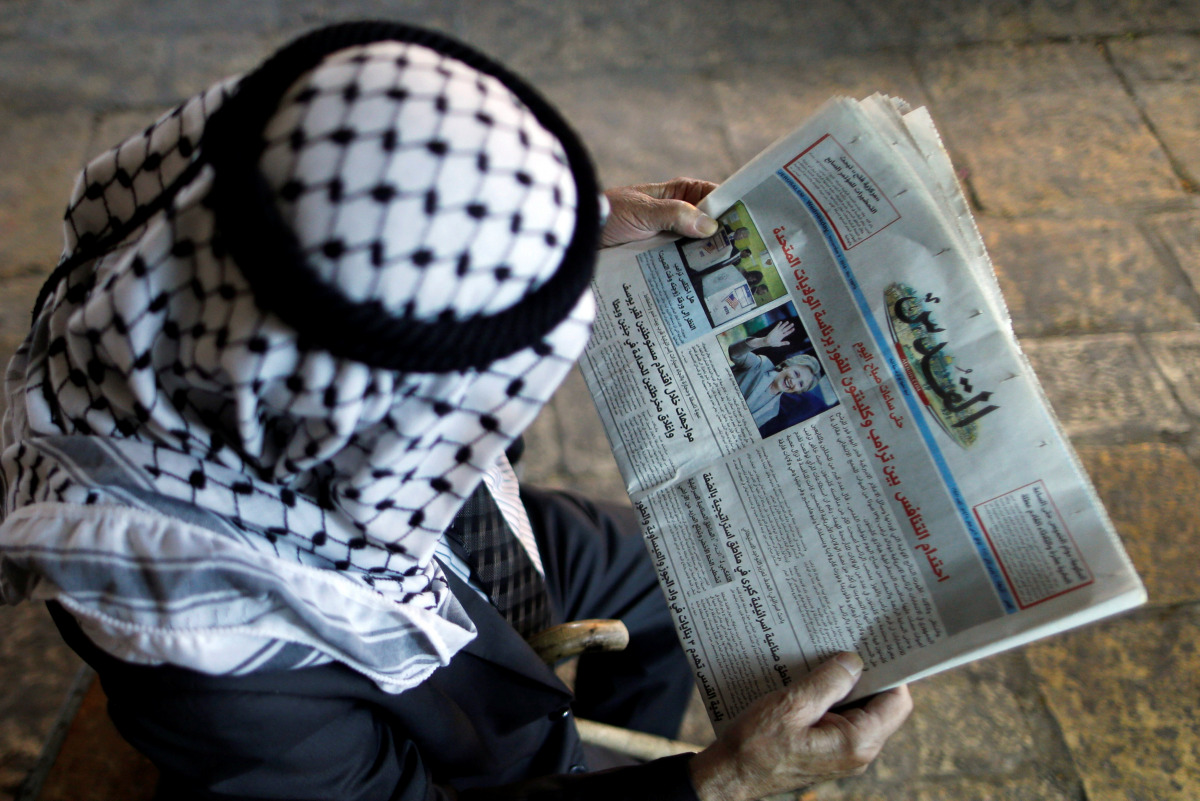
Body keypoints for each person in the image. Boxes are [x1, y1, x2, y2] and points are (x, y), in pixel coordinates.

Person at [0, 21, 909, 801]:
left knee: (680, 574)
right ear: (371, 408)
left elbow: (367, 196)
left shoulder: (214, 255)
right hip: (389, 693)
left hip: (455, 553)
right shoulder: (214, 668)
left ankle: (594, 741)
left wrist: (564, 223)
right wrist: (719, 779)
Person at [729, 320, 824, 429]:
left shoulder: (773, 410)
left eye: (801, 384)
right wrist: (763, 342)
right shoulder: (762, 364)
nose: (793, 382)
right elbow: (734, 354)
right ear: (788, 365)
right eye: (796, 373)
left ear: (799, 390)